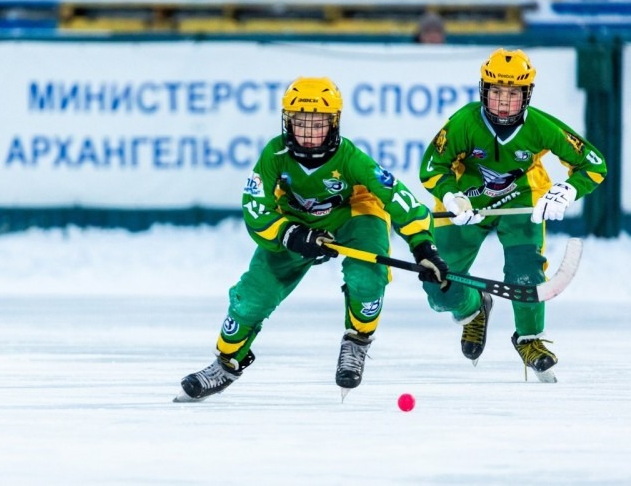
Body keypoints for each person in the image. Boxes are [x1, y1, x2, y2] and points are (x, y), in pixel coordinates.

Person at [175, 76, 450, 403]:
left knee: (367, 279)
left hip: (355, 215)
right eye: (300, 123)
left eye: (317, 124)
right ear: (287, 122)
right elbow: (255, 207)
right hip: (295, 223)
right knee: (251, 297)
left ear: (334, 124)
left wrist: (423, 245)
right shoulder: (274, 155)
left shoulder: (352, 159)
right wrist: (290, 234)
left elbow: (396, 196)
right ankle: (226, 362)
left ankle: (357, 342)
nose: (308, 133)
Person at [419, 48, 607, 383]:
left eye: (513, 93)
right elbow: (432, 166)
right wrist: (451, 195)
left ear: (527, 95)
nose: (504, 102)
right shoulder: (464, 122)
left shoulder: (539, 126)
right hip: (467, 204)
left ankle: (530, 339)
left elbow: (593, 163)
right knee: (439, 287)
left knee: (525, 271)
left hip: (520, 202)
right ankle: (473, 308)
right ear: (483, 91)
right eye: (496, 92)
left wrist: (568, 190)